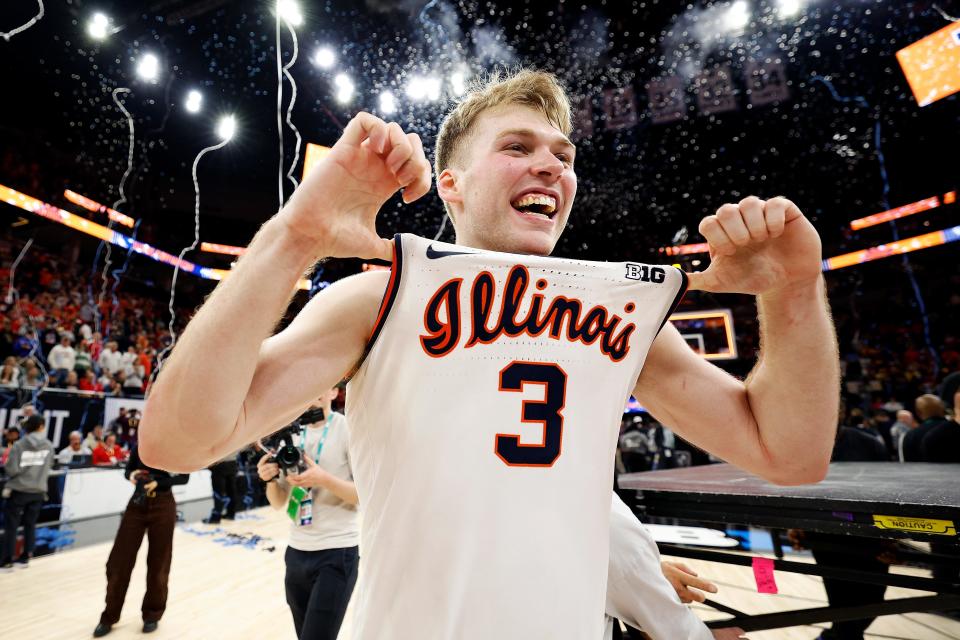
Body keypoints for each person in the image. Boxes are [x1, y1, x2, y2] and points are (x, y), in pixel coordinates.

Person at [141, 69, 837, 637]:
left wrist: (795, 293)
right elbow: (174, 440)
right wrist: (297, 233)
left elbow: (789, 454)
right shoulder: (378, 299)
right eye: (518, 147)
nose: (549, 166)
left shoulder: (624, 313)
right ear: (452, 183)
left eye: (563, 157)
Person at [257, 388, 359, 640]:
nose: (313, 391)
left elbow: (363, 495)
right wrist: (270, 480)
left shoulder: (348, 430)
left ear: (334, 391)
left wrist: (323, 479)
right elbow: (279, 502)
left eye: (322, 384)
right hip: (296, 553)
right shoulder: (290, 437)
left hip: (336, 551)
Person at [92, 446, 189, 637]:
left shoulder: (178, 445)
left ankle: (152, 614)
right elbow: (128, 470)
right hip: (137, 503)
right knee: (118, 563)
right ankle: (109, 615)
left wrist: (158, 483)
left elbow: (183, 477)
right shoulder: (142, 444)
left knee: (159, 564)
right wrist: (133, 474)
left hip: (163, 504)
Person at [1, 414, 54, 568]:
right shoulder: (49, 445)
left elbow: (11, 469)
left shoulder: (19, 445)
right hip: (38, 490)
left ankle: (7, 560)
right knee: (30, 524)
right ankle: (26, 556)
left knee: (12, 525)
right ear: (40, 427)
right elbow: (49, 465)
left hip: (19, 490)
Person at [900, 394, 948, 462]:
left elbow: (909, 465)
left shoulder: (911, 435)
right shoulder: (956, 429)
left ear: (918, 412)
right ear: (942, 408)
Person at [204, 451, 240, 524]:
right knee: (232, 491)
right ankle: (231, 514)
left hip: (220, 463)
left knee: (218, 492)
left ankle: (215, 518)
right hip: (232, 462)